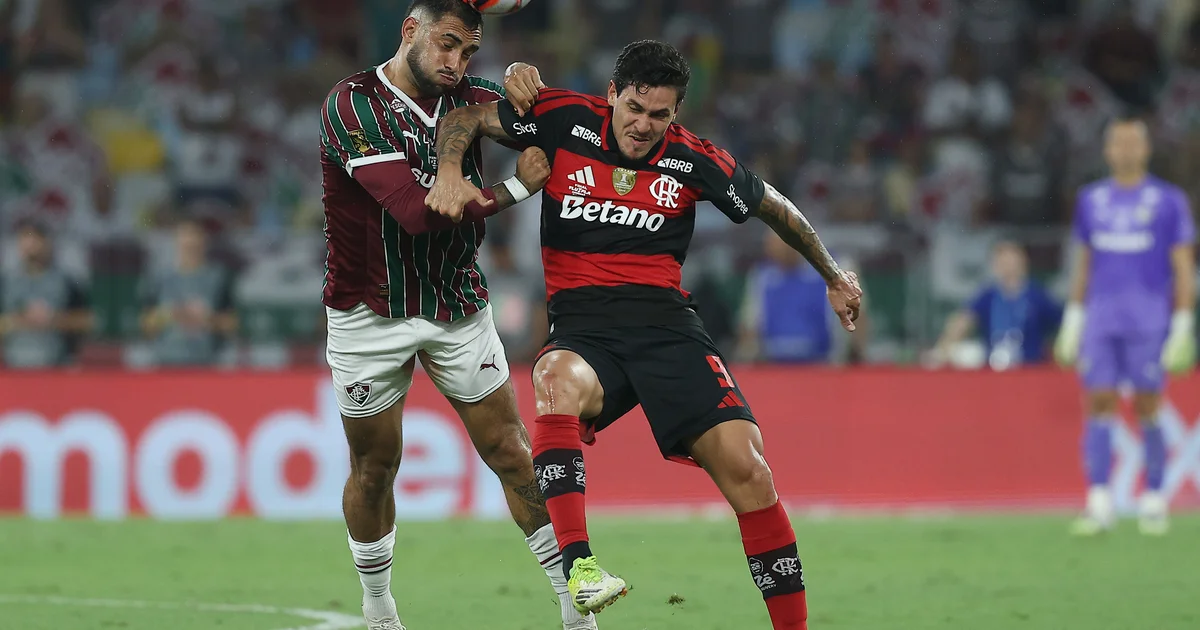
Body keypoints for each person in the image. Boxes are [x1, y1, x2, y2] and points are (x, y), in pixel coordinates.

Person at [427, 39, 863, 629]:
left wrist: (832, 275)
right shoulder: (562, 117)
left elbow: (772, 206)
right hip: (585, 330)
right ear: (612, 94)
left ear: (676, 112)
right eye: (635, 107)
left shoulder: (693, 159)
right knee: (552, 377)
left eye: (660, 114)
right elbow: (465, 117)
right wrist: (451, 171)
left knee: (751, 473)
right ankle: (580, 568)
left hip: (668, 331)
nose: (643, 125)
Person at [318, 2, 595, 629]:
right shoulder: (352, 104)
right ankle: (379, 604)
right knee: (374, 467)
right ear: (409, 31)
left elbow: (552, 133)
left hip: (456, 306)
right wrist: (514, 191)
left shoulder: (473, 94)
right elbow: (415, 215)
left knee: (512, 451)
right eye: (446, 44)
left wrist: (534, 93)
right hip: (368, 312)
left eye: (469, 51)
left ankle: (571, 603)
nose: (456, 62)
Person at [1054, 117, 1196, 537]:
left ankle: (1153, 498)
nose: (1127, 149)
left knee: (1148, 406)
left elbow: (1183, 266)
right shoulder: (1091, 200)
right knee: (1098, 402)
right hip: (1101, 318)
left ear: (1146, 149)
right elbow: (1085, 264)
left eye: (1134, 142)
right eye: (1119, 142)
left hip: (1149, 318)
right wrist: (1073, 320)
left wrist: (1184, 323)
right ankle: (1099, 502)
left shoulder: (1169, 201)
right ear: (1108, 150)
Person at [737, 230, 869, 365]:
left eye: (782, 244)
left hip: (825, 365)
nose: (774, 251)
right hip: (774, 366)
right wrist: (747, 357)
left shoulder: (836, 269)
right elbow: (749, 325)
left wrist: (858, 355)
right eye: (771, 246)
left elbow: (858, 316)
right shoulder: (761, 276)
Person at [929, 240, 1062, 370]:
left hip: (1030, 369)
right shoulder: (988, 295)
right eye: (1000, 261)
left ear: (1022, 262)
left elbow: (1061, 324)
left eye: (1009, 261)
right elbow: (964, 320)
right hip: (994, 369)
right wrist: (942, 348)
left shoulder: (1038, 295)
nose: (1005, 266)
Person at [0, 219, 92, 368]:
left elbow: (87, 321)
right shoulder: (5, 282)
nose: (30, 245)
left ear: (47, 242)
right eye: (24, 238)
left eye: (36, 238)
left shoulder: (67, 281)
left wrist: (53, 319)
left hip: (55, 366)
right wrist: (18, 320)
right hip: (13, 366)